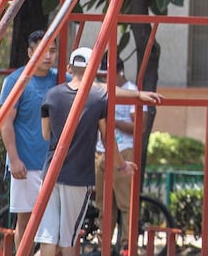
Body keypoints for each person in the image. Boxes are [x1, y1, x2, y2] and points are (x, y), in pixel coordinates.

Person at [35, 47, 138, 256]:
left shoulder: (52, 95)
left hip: (51, 172)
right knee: (69, 237)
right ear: (93, 69)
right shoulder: (98, 99)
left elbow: (45, 134)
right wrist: (121, 165)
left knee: (48, 236)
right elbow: (108, 139)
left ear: (69, 68)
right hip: (78, 175)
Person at [0, 30, 59, 251]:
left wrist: (136, 95)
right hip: (26, 164)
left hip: (54, 163)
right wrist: (14, 160)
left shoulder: (60, 78)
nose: (48, 56)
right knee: (25, 220)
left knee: (54, 221)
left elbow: (92, 86)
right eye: (42, 51)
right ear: (30, 52)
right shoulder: (16, 81)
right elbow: (5, 122)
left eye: (52, 51)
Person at [94, 54, 141, 250]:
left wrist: (113, 122)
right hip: (101, 151)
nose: (105, 78)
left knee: (125, 203)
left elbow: (138, 126)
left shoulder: (131, 90)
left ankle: (127, 246)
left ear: (119, 71)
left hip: (123, 149)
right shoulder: (101, 90)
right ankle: (103, 245)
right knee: (103, 204)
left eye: (108, 73)